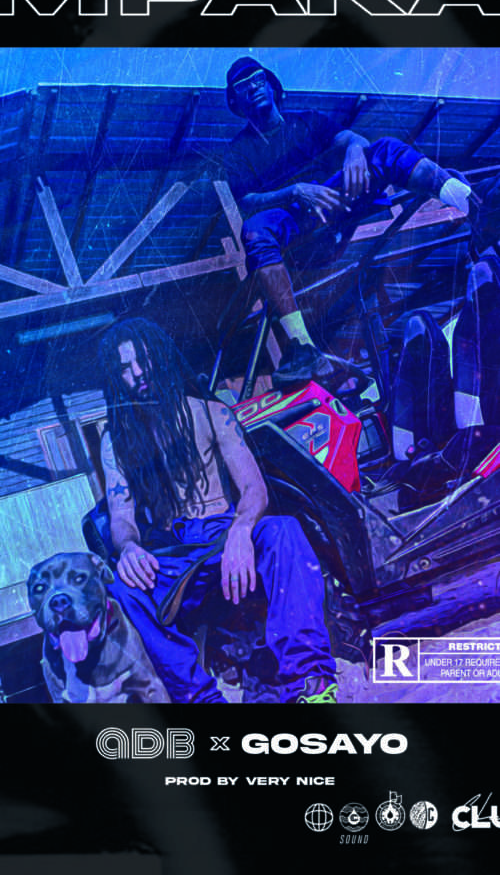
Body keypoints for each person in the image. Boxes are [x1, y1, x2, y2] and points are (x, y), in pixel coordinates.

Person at [98, 316, 338, 704]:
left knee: (283, 531)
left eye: (143, 360)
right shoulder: (116, 440)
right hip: (175, 551)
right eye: (125, 368)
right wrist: (128, 548)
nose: (138, 373)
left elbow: (253, 488)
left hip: (225, 530)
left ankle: (309, 681)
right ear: (115, 378)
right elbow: (121, 515)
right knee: (121, 588)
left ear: (161, 356)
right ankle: (201, 700)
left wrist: (241, 531)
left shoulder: (210, 411)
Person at [223, 56, 473, 388]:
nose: (253, 88)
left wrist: (356, 150)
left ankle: (473, 203)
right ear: (235, 102)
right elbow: (245, 201)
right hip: (294, 225)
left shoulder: (307, 121)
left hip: (334, 204)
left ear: (272, 86)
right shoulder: (238, 151)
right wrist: (294, 191)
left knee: (384, 149)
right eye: (242, 86)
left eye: (258, 79)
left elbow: (352, 139)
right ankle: (302, 346)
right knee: (255, 230)